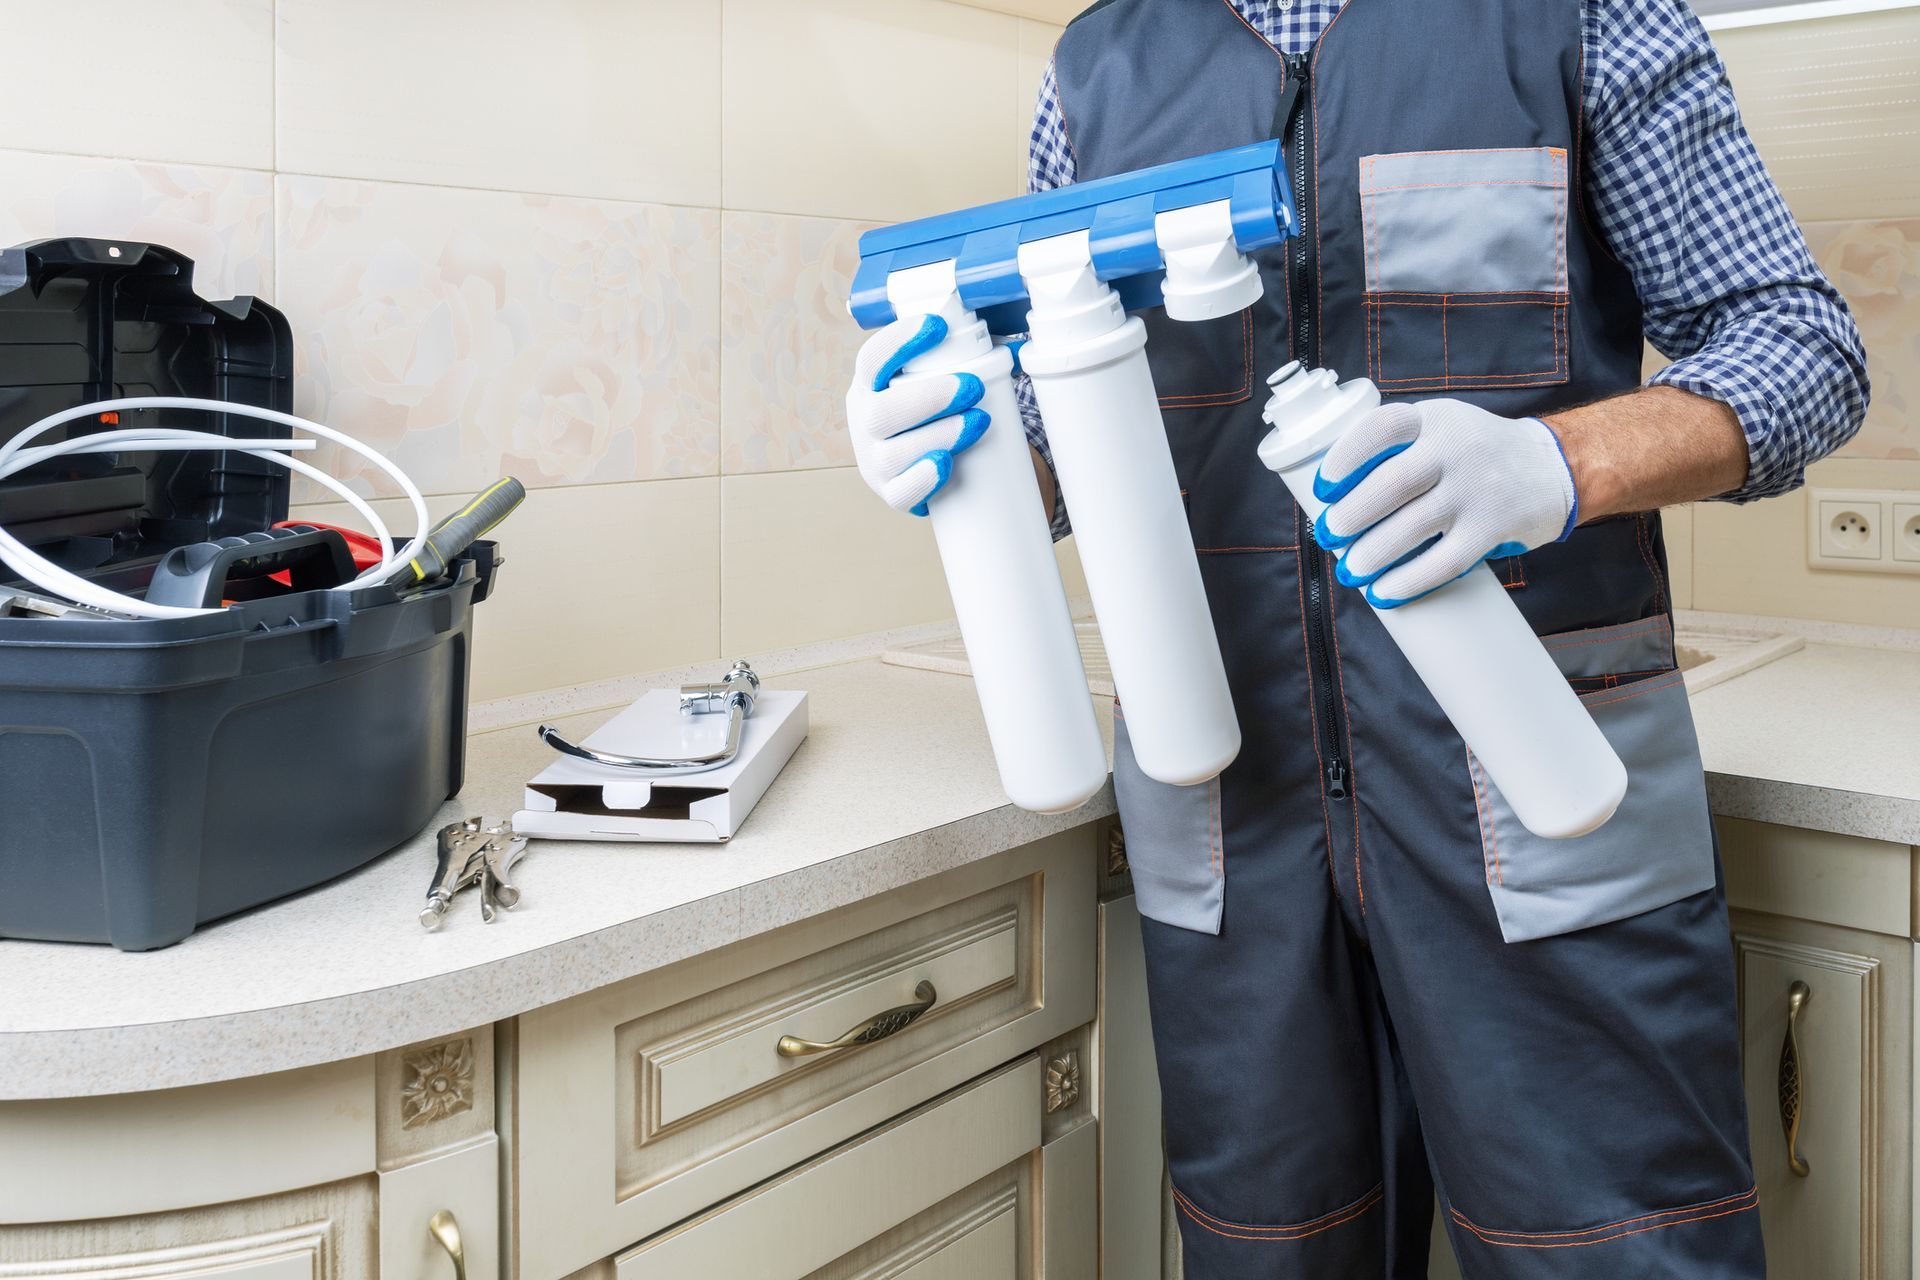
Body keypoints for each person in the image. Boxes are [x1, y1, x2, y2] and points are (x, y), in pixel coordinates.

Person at [842, 1, 1868, 1275]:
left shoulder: (1580, 17)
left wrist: (1554, 460)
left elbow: (1805, 348)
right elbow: (1072, 437)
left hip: (1537, 799)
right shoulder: (1095, 73)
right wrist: (966, 447)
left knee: (1616, 1252)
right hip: (1234, 816)